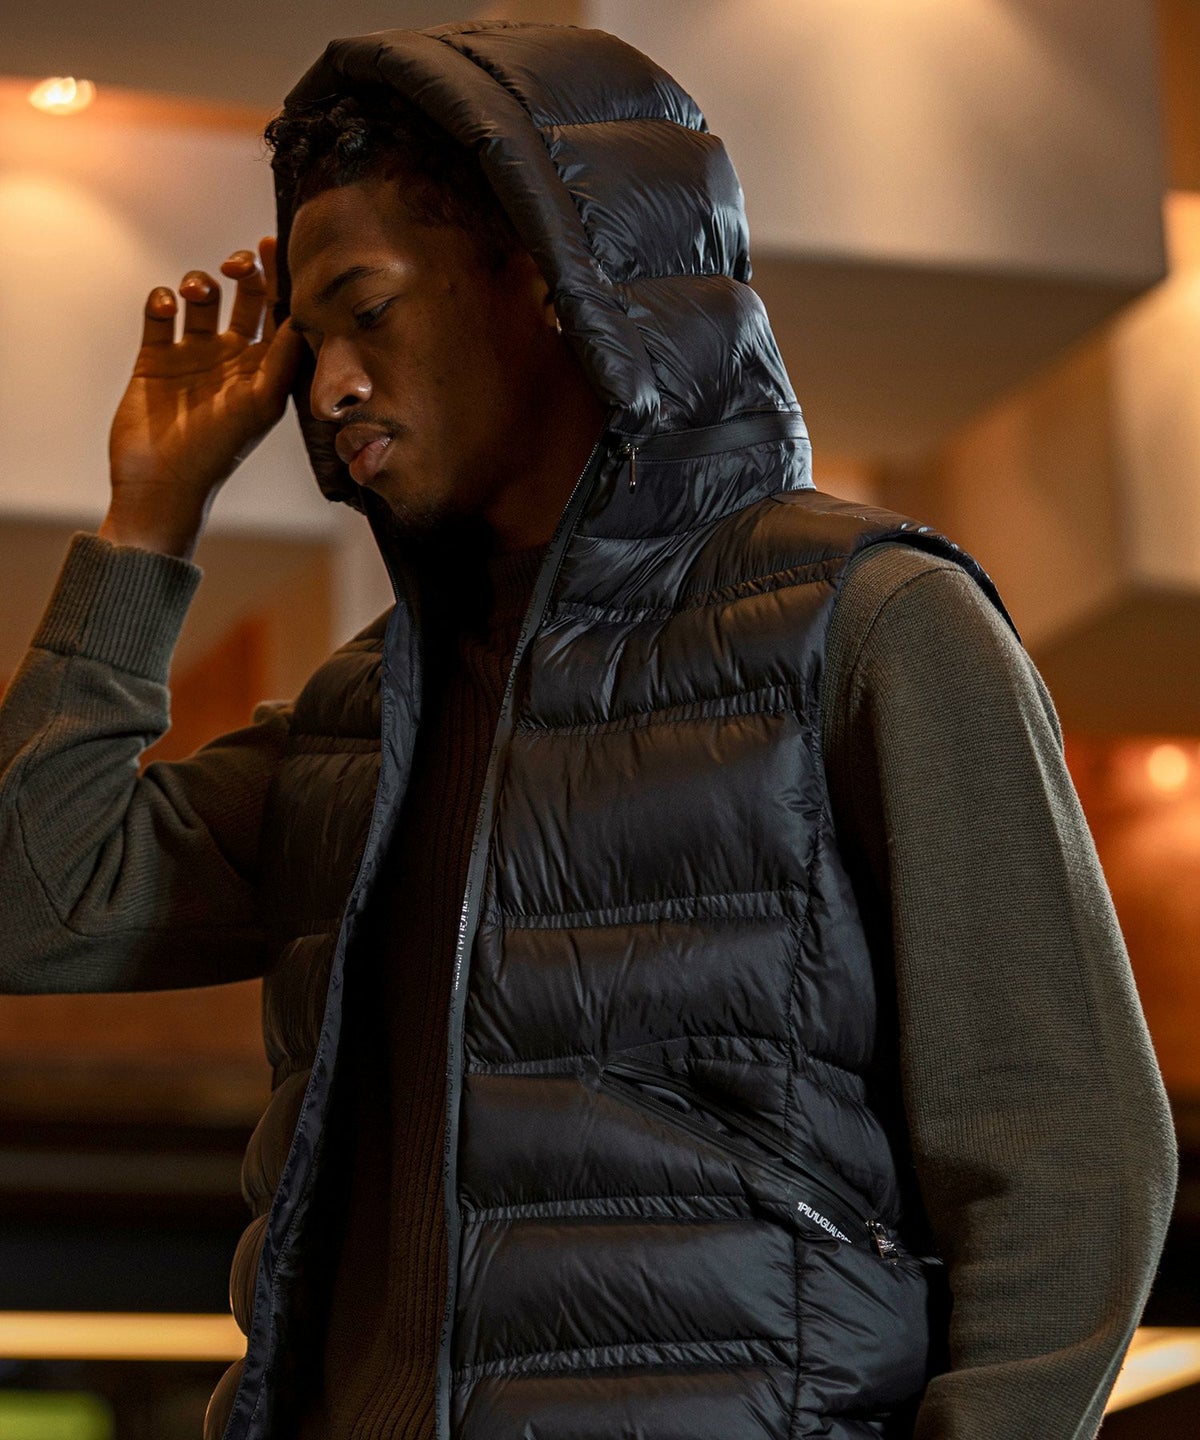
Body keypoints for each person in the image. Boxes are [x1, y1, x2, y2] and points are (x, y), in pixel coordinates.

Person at [0, 18, 1177, 1440]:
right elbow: (32, 902)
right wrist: (147, 519)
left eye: (368, 314)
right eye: (311, 342)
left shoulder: (868, 623)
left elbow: (1067, 1157)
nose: (326, 388)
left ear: (550, 283)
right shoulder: (359, 722)